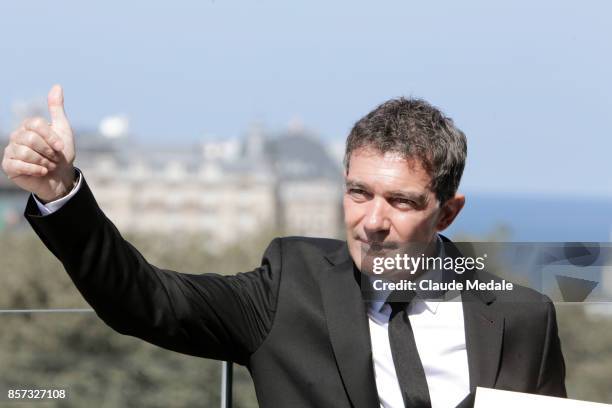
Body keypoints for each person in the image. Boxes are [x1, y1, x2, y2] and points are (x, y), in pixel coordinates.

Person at [2, 85, 566, 408]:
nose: (372, 222)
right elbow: (144, 299)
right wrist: (61, 194)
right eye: (358, 193)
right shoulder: (289, 286)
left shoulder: (522, 317)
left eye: (401, 202)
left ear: (448, 211)